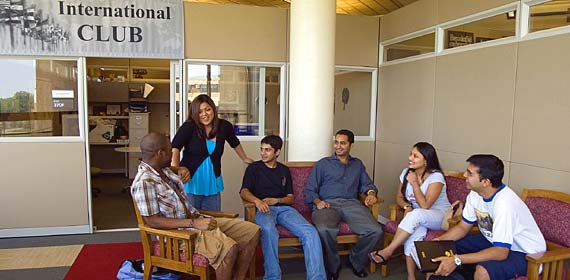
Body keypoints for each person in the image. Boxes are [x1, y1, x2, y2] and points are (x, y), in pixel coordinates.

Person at [131, 132, 260, 280]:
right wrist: (193, 223)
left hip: (198, 221)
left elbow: (174, 170)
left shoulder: (162, 170)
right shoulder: (144, 182)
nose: (175, 156)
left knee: (252, 231)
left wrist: (181, 169)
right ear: (160, 153)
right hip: (179, 235)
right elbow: (152, 221)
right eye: (170, 150)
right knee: (229, 249)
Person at [429, 154, 546, 280]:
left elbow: (501, 252)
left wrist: (457, 260)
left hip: (526, 253)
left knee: (483, 271)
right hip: (494, 241)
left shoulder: (505, 204)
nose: (464, 175)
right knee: (440, 249)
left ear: (485, 182)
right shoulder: (475, 194)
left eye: (470, 174)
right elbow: (463, 227)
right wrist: (438, 242)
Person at [240, 135, 327, 280]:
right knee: (268, 231)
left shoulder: (284, 170)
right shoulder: (254, 168)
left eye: (267, 150)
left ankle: (317, 277)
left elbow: (291, 198)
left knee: (310, 232)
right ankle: (272, 277)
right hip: (264, 209)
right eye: (262, 149)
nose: (263, 153)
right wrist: (258, 202)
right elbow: (244, 191)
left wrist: (277, 200)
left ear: (277, 152)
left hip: (285, 210)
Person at [305, 129, 383, 280]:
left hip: (351, 204)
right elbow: (310, 189)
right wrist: (318, 202)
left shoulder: (357, 164)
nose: (338, 146)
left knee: (375, 230)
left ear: (351, 145)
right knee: (324, 228)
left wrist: (371, 194)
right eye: (336, 142)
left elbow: (367, 185)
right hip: (327, 204)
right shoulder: (323, 164)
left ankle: (356, 261)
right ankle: (333, 266)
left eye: (343, 143)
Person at [369, 142, 451, 280]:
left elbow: (425, 205)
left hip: (439, 216)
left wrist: (414, 183)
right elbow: (399, 197)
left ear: (426, 160)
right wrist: (407, 207)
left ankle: (388, 251)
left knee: (416, 214)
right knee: (412, 236)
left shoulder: (436, 177)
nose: (410, 158)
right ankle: (411, 276)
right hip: (417, 217)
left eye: (415, 156)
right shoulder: (407, 173)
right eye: (410, 154)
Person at [171, 94, 253, 211]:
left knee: (213, 221)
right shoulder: (189, 126)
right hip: (191, 183)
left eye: (207, 109)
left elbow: (234, 142)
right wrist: (176, 169)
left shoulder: (224, 126)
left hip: (212, 182)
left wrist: (244, 158)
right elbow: (175, 147)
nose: (204, 114)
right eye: (199, 112)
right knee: (191, 222)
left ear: (213, 109)